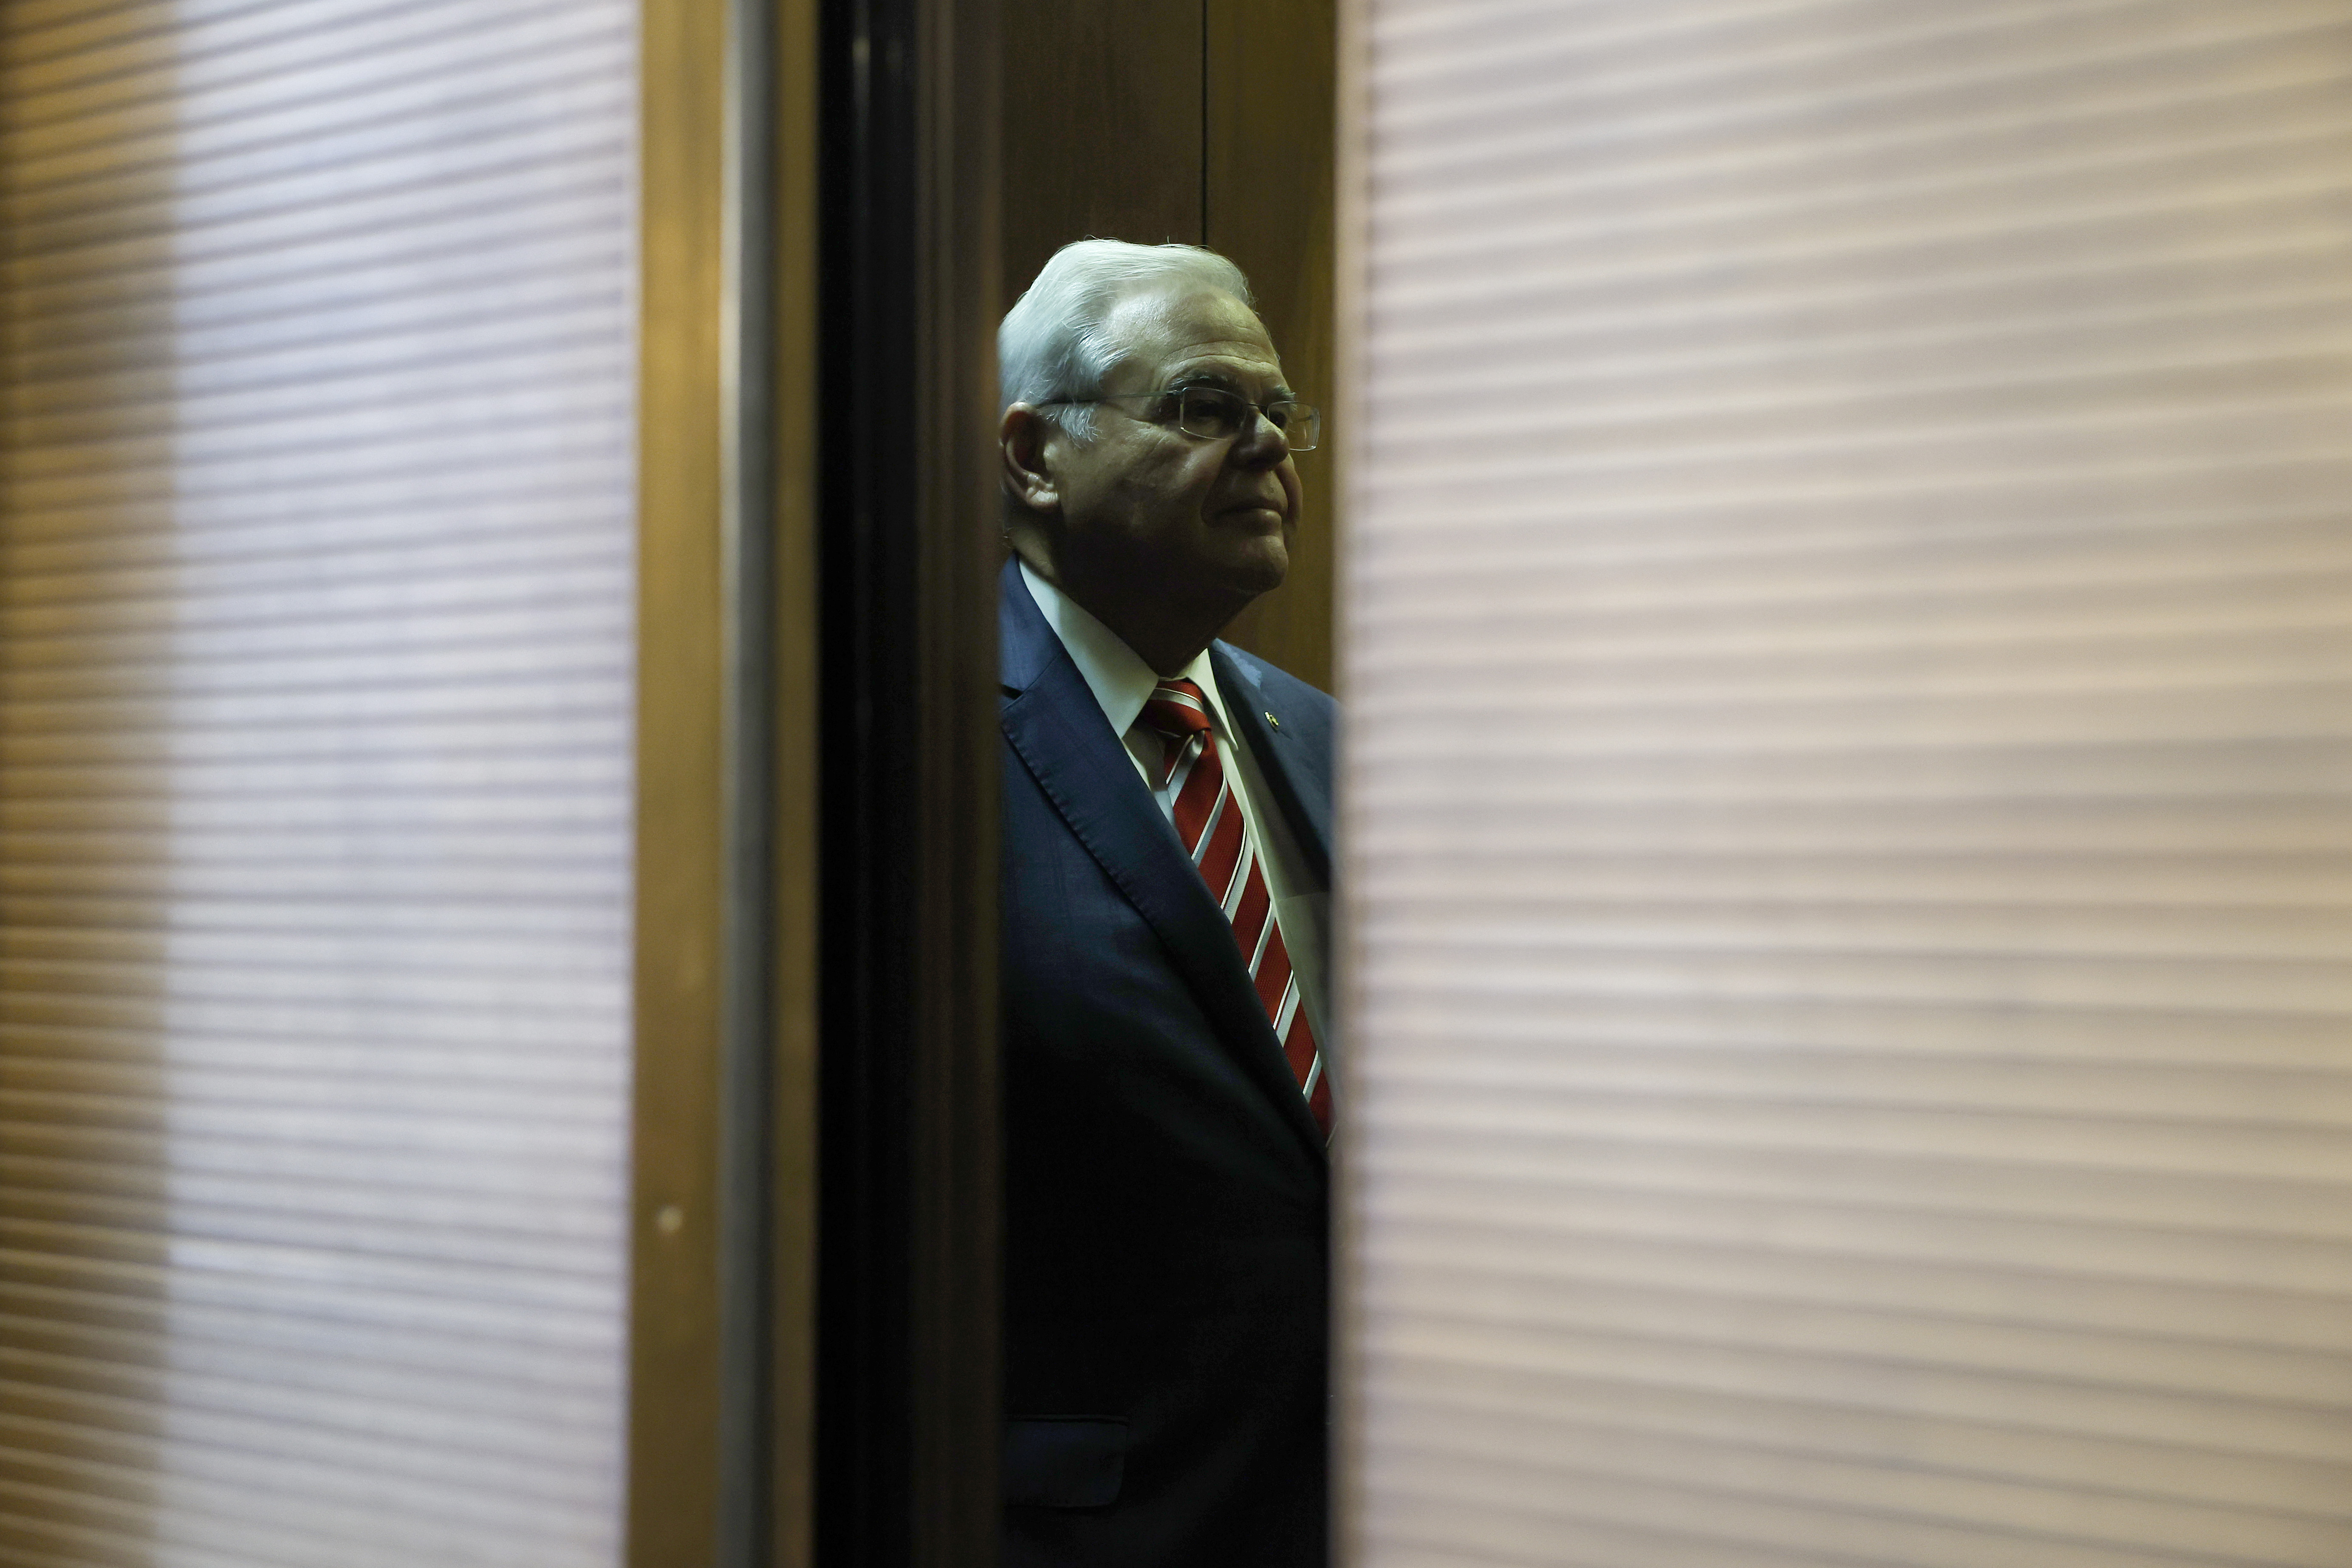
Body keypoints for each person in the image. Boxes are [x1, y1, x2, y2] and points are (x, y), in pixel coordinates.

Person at [995, 239, 1334, 1567]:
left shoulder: (1325, 744)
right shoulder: (912, 737)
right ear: (1034, 452)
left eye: (1278, 412)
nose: (1265, 445)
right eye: (1205, 405)